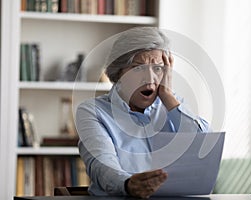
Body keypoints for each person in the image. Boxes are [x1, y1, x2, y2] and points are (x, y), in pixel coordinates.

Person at [75, 27, 210, 198]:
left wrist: (167, 95)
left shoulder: (173, 106)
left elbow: (205, 148)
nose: (150, 78)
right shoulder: (93, 111)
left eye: (158, 68)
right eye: (138, 68)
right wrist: (129, 185)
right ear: (118, 72)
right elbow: (102, 165)